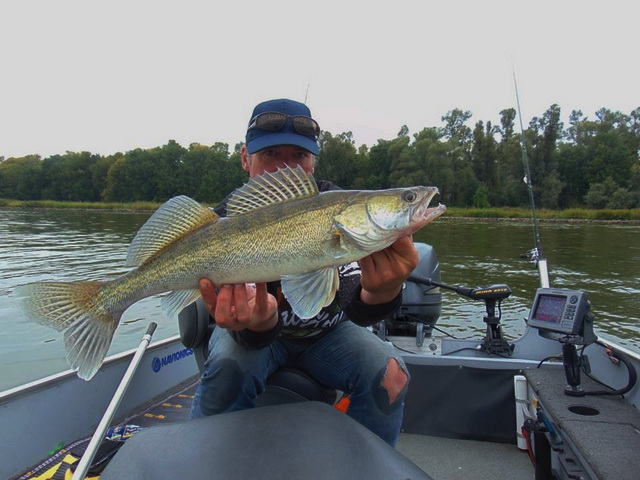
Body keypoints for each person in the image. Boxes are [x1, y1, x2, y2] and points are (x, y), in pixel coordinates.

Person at [190, 98, 419, 446]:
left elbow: (356, 306)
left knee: (390, 374)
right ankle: (202, 461)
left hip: (327, 335)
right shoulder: (222, 224)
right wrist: (260, 324)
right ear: (244, 159)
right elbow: (245, 331)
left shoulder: (342, 210)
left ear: (312, 161)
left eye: (299, 156)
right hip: (255, 338)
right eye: (270, 155)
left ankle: (367, 469)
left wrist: (383, 292)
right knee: (226, 369)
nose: (286, 167)